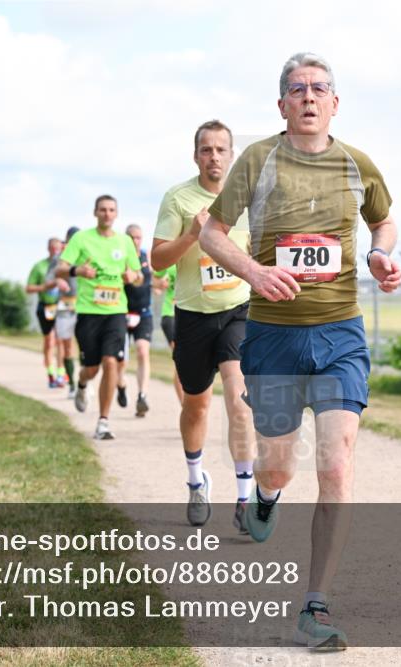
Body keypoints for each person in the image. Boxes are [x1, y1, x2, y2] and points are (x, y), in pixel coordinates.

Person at [199, 54, 401, 650]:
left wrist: (378, 255)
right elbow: (212, 230)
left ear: (335, 103)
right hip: (274, 335)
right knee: (279, 462)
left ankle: (315, 603)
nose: (309, 97)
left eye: (320, 89)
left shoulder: (356, 163)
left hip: (340, 333)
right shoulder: (258, 159)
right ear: (282, 103)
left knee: (336, 463)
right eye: (297, 89)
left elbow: (384, 222)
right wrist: (254, 274)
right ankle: (265, 496)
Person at [151, 119, 257, 533]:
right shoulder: (178, 199)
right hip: (193, 315)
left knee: (239, 400)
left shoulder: (246, 199)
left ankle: (245, 499)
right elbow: (158, 261)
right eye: (206, 150)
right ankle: (197, 481)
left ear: (232, 155)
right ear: (196, 155)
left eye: (221, 149)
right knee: (196, 404)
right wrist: (193, 234)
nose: (214, 156)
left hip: (238, 310)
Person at [56, 195, 141, 440]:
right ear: (95, 213)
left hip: (115, 311)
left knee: (111, 362)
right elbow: (60, 267)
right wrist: (78, 270)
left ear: (116, 214)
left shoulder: (125, 241)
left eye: (111, 210)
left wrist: (131, 276)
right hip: (88, 312)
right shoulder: (82, 238)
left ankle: (103, 421)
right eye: (102, 210)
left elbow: (137, 274)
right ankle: (82, 383)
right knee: (91, 369)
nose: (107, 214)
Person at [118, 224, 153, 417]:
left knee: (142, 351)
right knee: (120, 361)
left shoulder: (146, 256)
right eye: (132, 237)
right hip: (122, 313)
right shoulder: (120, 258)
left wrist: (159, 284)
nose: (135, 241)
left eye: (139, 237)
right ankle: (121, 385)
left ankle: (142, 396)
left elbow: (154, 276)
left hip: (144, 313)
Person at [27, 238, 67, 388]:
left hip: (62, 306)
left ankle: (61, 373)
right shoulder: (40, 267)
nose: (55, 250)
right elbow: (29, 288)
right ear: (48, 248)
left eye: (58, 248)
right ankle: (51, 373)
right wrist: (46, 286)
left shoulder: (65, 265)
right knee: (49, 341)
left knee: (62, 340)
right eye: (53, 248)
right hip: (46, 306)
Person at [57, 227, 82, 398]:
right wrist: (59, 281)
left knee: (84, 346)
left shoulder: (86, 256)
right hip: (65, 307)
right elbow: (55, 275)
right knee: (66, 347)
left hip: (83, 306)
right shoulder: (60, 259)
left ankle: (84, 382)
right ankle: (72, 385)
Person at [154, 263, 183, 402]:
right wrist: (159, 284)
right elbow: (154, 280)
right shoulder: (170, 262)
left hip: (191, 315)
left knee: (189, 360)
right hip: (170, 314)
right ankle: (184, 406)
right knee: (181, 358)